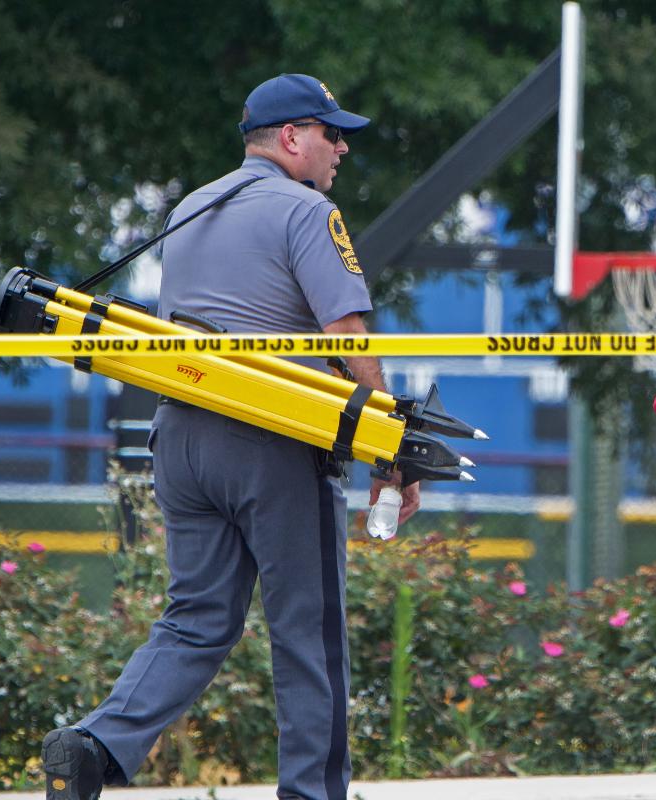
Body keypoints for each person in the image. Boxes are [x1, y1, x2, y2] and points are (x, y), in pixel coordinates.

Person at [40, 73, 420, 800]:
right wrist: (388, 451)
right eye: (329, 132)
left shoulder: (191, 206)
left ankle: (92, 749)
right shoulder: (308, 211)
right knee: (309, 632)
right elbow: (346, 333)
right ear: (289, 138)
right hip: (271, 438)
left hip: (180, 438)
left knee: (196, 620)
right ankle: (316, 793)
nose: (341, 147)